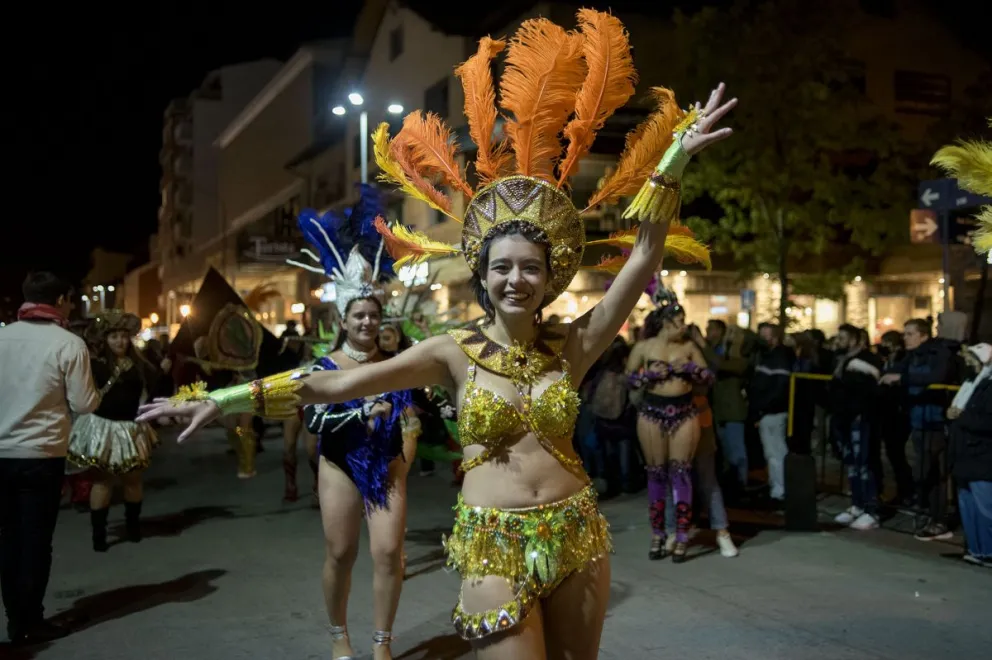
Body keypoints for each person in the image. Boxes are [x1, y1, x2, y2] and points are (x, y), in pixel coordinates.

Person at [139, 12, 734, 657]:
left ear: (550, 276)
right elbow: (336, 381)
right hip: (493, 541)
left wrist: (672, 155)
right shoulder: (451, 351)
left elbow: (645, 257)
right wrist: (220, 399)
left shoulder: (574, 342)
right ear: (482, 273)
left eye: (530, 267)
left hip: (577, 533)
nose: (515, 279)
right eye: (501, 266)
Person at [0, 272, 100, 645]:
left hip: (1, 454)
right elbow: (85, 403)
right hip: (42, 453)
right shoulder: (69, 344)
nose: (72, 306)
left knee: (9, 538)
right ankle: (32, 619)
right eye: (70, 300)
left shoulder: (1, 337)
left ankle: (14, 619)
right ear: (60, 300)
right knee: (37, 540)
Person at [627, 292, 714, 562]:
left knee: (681, 474)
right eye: (679, 321)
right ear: (666, 323)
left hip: (685, 413)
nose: (684, 326)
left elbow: (709, 377)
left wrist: (690, 369)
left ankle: (682, 536)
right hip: (651, 413)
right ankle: (657, 534)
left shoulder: (688, 347)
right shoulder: (644, 348)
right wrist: (648, 375)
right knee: (656, 474)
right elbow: (628, 379)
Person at [67, 311, 161, 551]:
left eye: (123, 336)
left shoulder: (141, 366)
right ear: (105, 340)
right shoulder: (96, 366)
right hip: (102, 429)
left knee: (133, 480)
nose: (120, 341)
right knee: (103, 482)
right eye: (114, 337)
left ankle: (133, 527)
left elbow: (153, 388)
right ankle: (99, 535)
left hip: (131, 428)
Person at [882, 318, 957, 540]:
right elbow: (898, 370)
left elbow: (937, 377)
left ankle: (938, 519)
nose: (905, 338)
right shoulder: (911, 355)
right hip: (918, 420)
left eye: (909, 334)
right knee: (927, 472)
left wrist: (902, 378)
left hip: (935, 422)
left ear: (923, 335)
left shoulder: (938, 353)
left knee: (931, 472)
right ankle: (931, 515)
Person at [829, 324, 883, 530]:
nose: (839, 340)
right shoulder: (841, 360)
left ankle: (871, 508)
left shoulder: (866, 361)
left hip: (860, 419)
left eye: (844, 337)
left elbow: (869, 390)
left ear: (856, 339)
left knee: (864, 463)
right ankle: (857, 504)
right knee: (852, 463)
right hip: (844, 419)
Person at [947, 344, 992, 566]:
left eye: (970, 358)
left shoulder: (987, 386)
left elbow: (987, 422)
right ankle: (976, 549)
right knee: (968, 504)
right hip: (965, 452)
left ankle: (988, 550)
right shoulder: (972, 383)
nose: (966, 362)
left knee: (985, 507)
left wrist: (960, 416)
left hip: (981, 454)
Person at [748, 323, 794, 508]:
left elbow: (778, 389)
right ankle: (778, 488)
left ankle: (780, 491)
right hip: (769, 411)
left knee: (775, 453)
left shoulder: (778, 358)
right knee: (773, 453)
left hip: (772, 412)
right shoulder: (769, 357)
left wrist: (762, 409)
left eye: (764, 335)